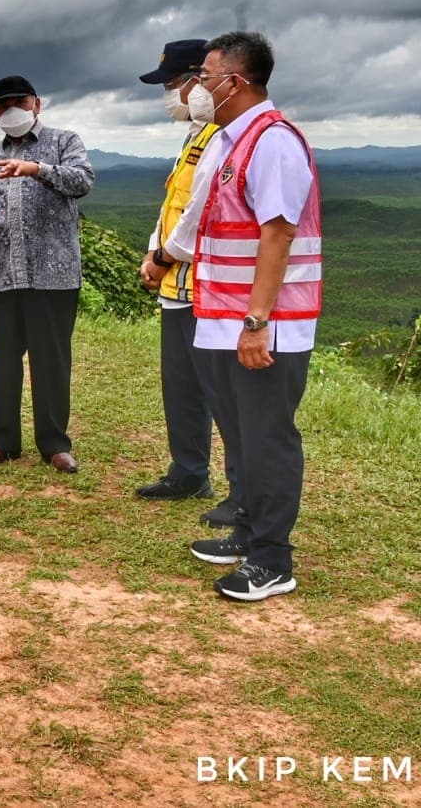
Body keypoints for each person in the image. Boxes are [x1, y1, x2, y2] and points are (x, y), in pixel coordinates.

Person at [170, 31, 322, 602]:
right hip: (222, 319)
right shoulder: (231, 140)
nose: (198, 88)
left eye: (205, 78)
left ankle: (273, 559)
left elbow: (278, 233)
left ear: (234, 82)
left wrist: (257, 323)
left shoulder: (272, 141)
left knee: (265, 438)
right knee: (239, 434)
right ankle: (248, 530)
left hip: (262, 324)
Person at [0, 76, 95, 473]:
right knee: (3, 361)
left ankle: (54, 443)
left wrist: (36, 169)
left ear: (37, 103)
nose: (11, 111)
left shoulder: (64, 141)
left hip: (54, 276)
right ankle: (1, 442)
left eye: (18, 102)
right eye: (2, 107)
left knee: (51, 361)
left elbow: (83, 180)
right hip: (3, 274)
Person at [134, 39, 237, 519]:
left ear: (205, 80)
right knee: (181, 384)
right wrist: (155, 252)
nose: (171, 94)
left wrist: (162, 256)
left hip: (208, 286)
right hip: (179, 286)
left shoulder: (224, 136)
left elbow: (202, 213)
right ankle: (189, 471)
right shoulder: (195, 136)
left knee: (223, 393)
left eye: (176, 83)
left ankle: (242, 490)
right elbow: (174, 203)